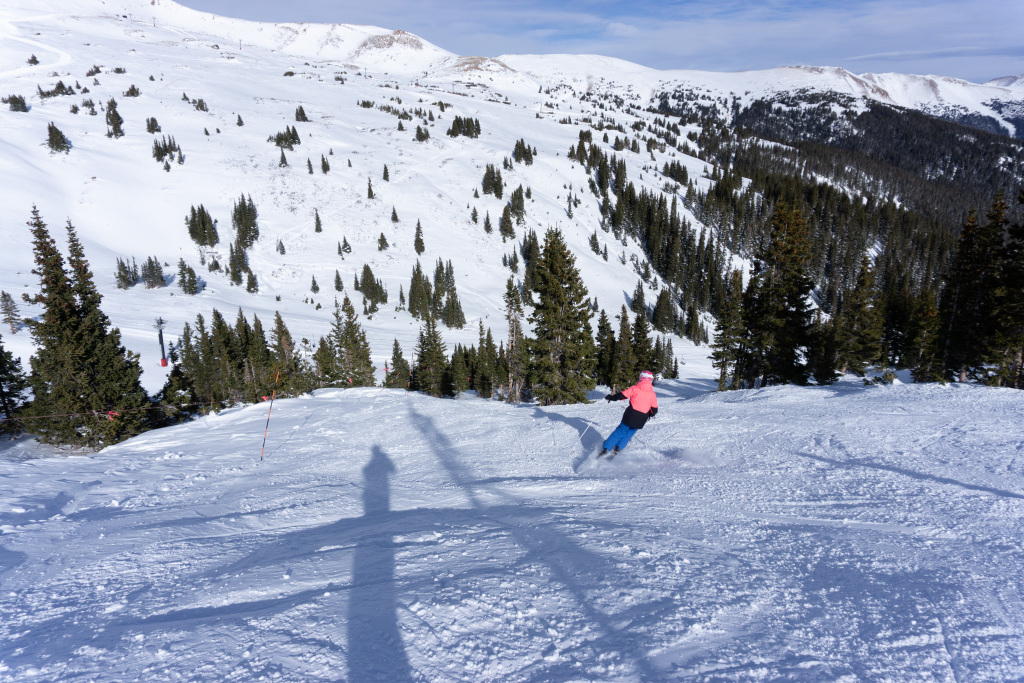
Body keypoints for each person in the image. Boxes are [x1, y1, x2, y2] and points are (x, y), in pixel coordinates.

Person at [601, 370, 658, 456]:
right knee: (630, 432)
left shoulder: (634, 388)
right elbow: (654, 410)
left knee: (621, 430)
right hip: (642, 419)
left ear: (641, 378)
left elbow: (622, 396)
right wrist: (650, 414)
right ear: (651, 380)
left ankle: (606, 448)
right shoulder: (652, 394)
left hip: (630, 415)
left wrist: (612, 397)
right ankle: (618, 448)